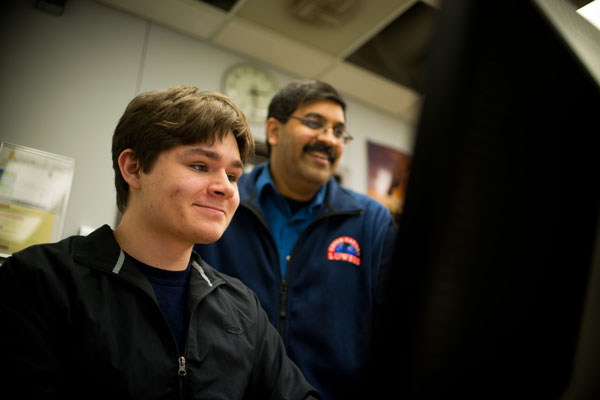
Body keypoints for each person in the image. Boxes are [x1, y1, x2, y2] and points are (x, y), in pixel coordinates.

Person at [0, 86, 319, 399]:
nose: (225, 188)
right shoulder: (39, 280)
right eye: (200, 166)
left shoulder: (243, 307)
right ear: (134, 168)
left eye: (233, 176)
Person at [195, 80, 398, 399]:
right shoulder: (220, 203)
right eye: (315, 123)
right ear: (274, 131)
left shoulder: (371, 222)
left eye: (338, 131)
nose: (329, 139)